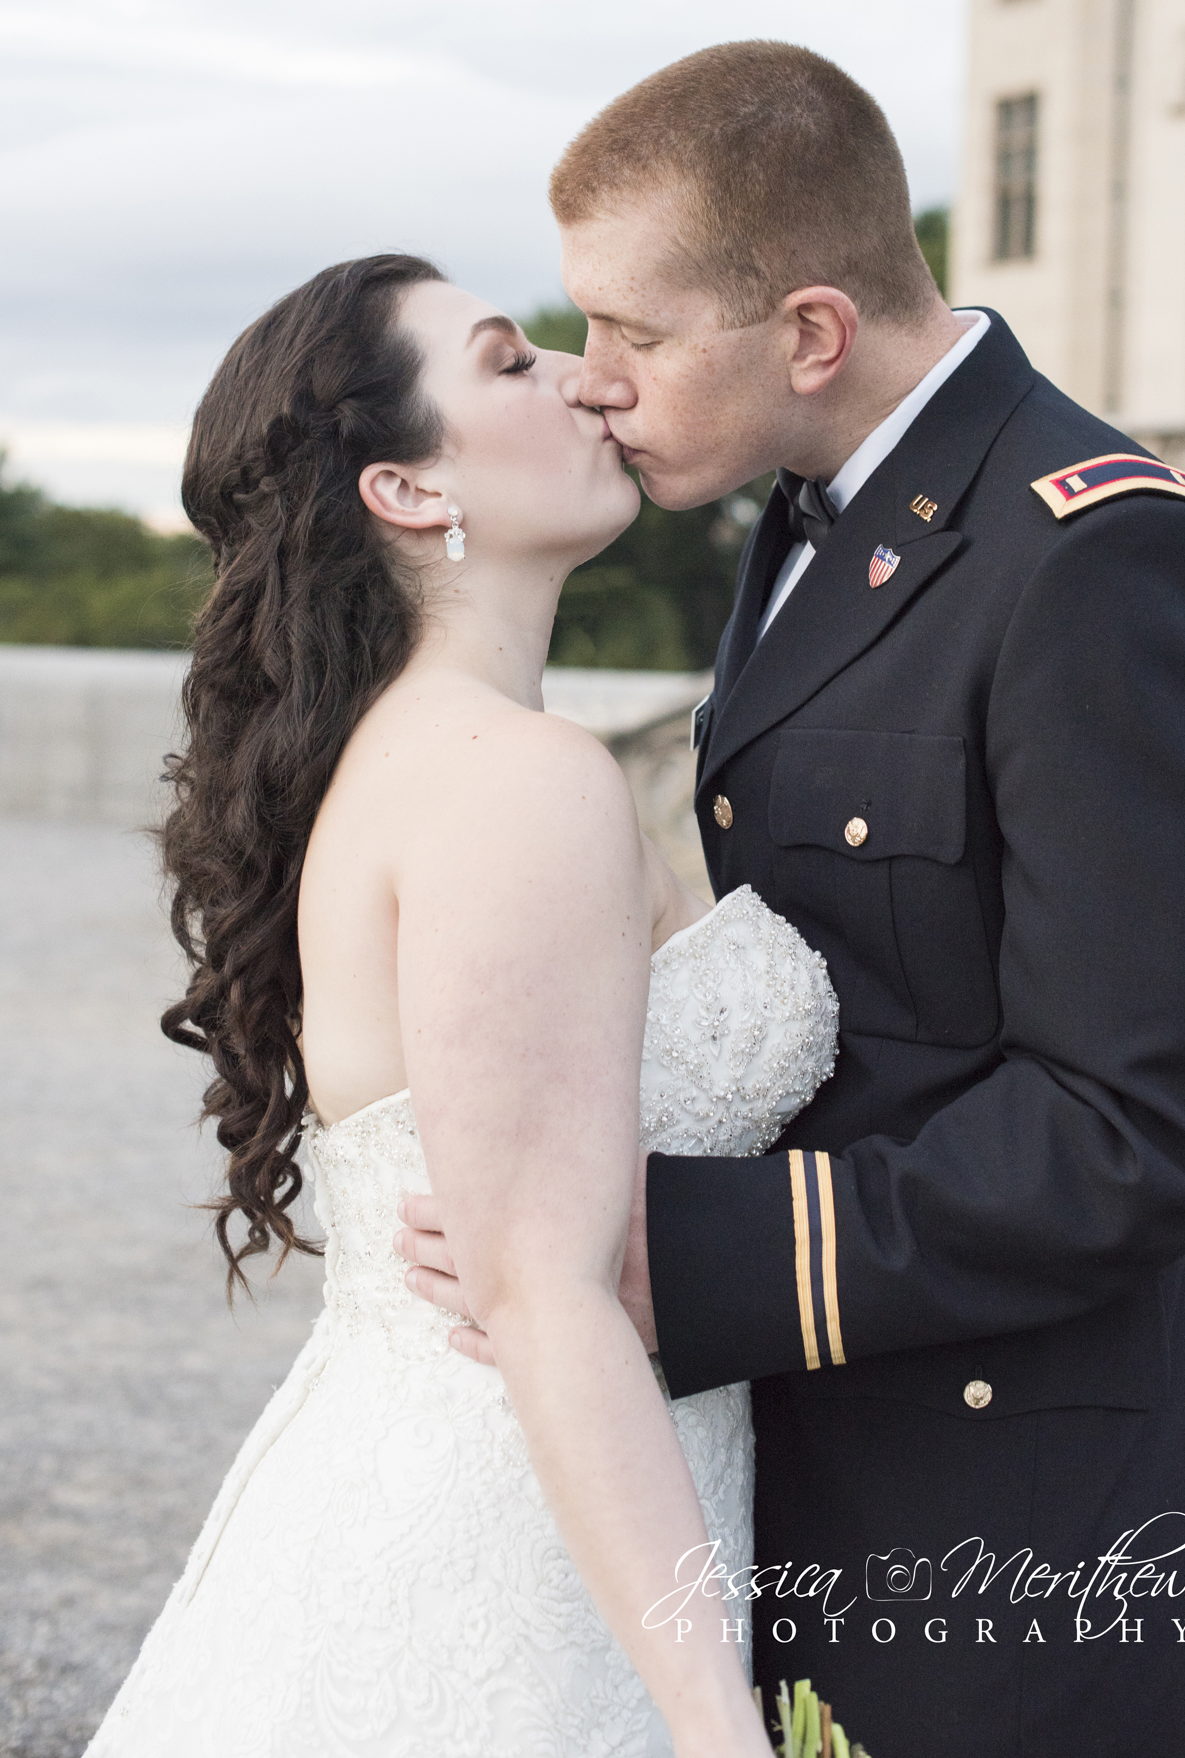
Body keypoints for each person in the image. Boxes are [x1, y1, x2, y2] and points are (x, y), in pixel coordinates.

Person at [397, 43, 1185, 1758]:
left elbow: (1151, 1124)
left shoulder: (1096, 557)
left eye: (637, 337)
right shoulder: (810, 507)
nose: (596, 383)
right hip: (804, 1452)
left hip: (1003, 1505)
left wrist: (680, 1249)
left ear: (808, 331)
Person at [83, 251, 841, 1756]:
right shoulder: (514, 779)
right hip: (514, 1550)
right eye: (508, 362)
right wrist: (716, 1726)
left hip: (482, 1499)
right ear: (410, 492)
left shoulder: (418, 756)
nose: (581, 374)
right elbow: (544, 1294)